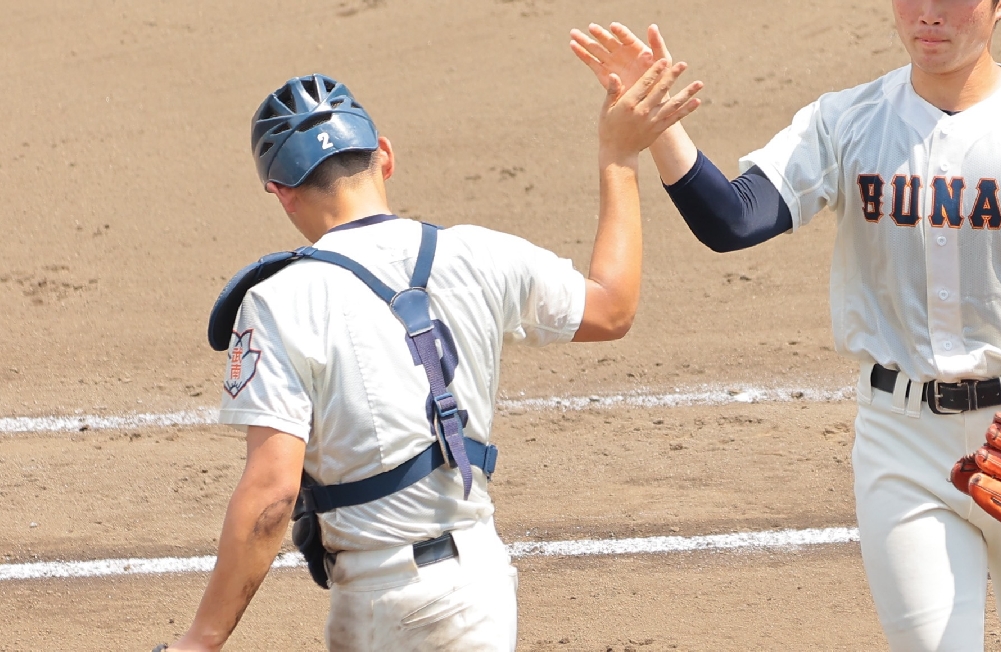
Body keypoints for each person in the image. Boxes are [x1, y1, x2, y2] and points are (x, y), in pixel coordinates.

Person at [569, 0, 1001, 652]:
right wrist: (659, 128)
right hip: (901, 441)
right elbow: (734, 221)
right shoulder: (846, 121)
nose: (929, 13)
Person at [159, 62, 701, 652]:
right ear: (385, 156)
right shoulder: (481, 255)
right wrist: (619, 156)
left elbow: (271, 496)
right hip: (483, 592)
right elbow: (612, 307)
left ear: (282, 194)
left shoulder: (278, 301)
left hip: (383, 603)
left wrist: (200, 640)